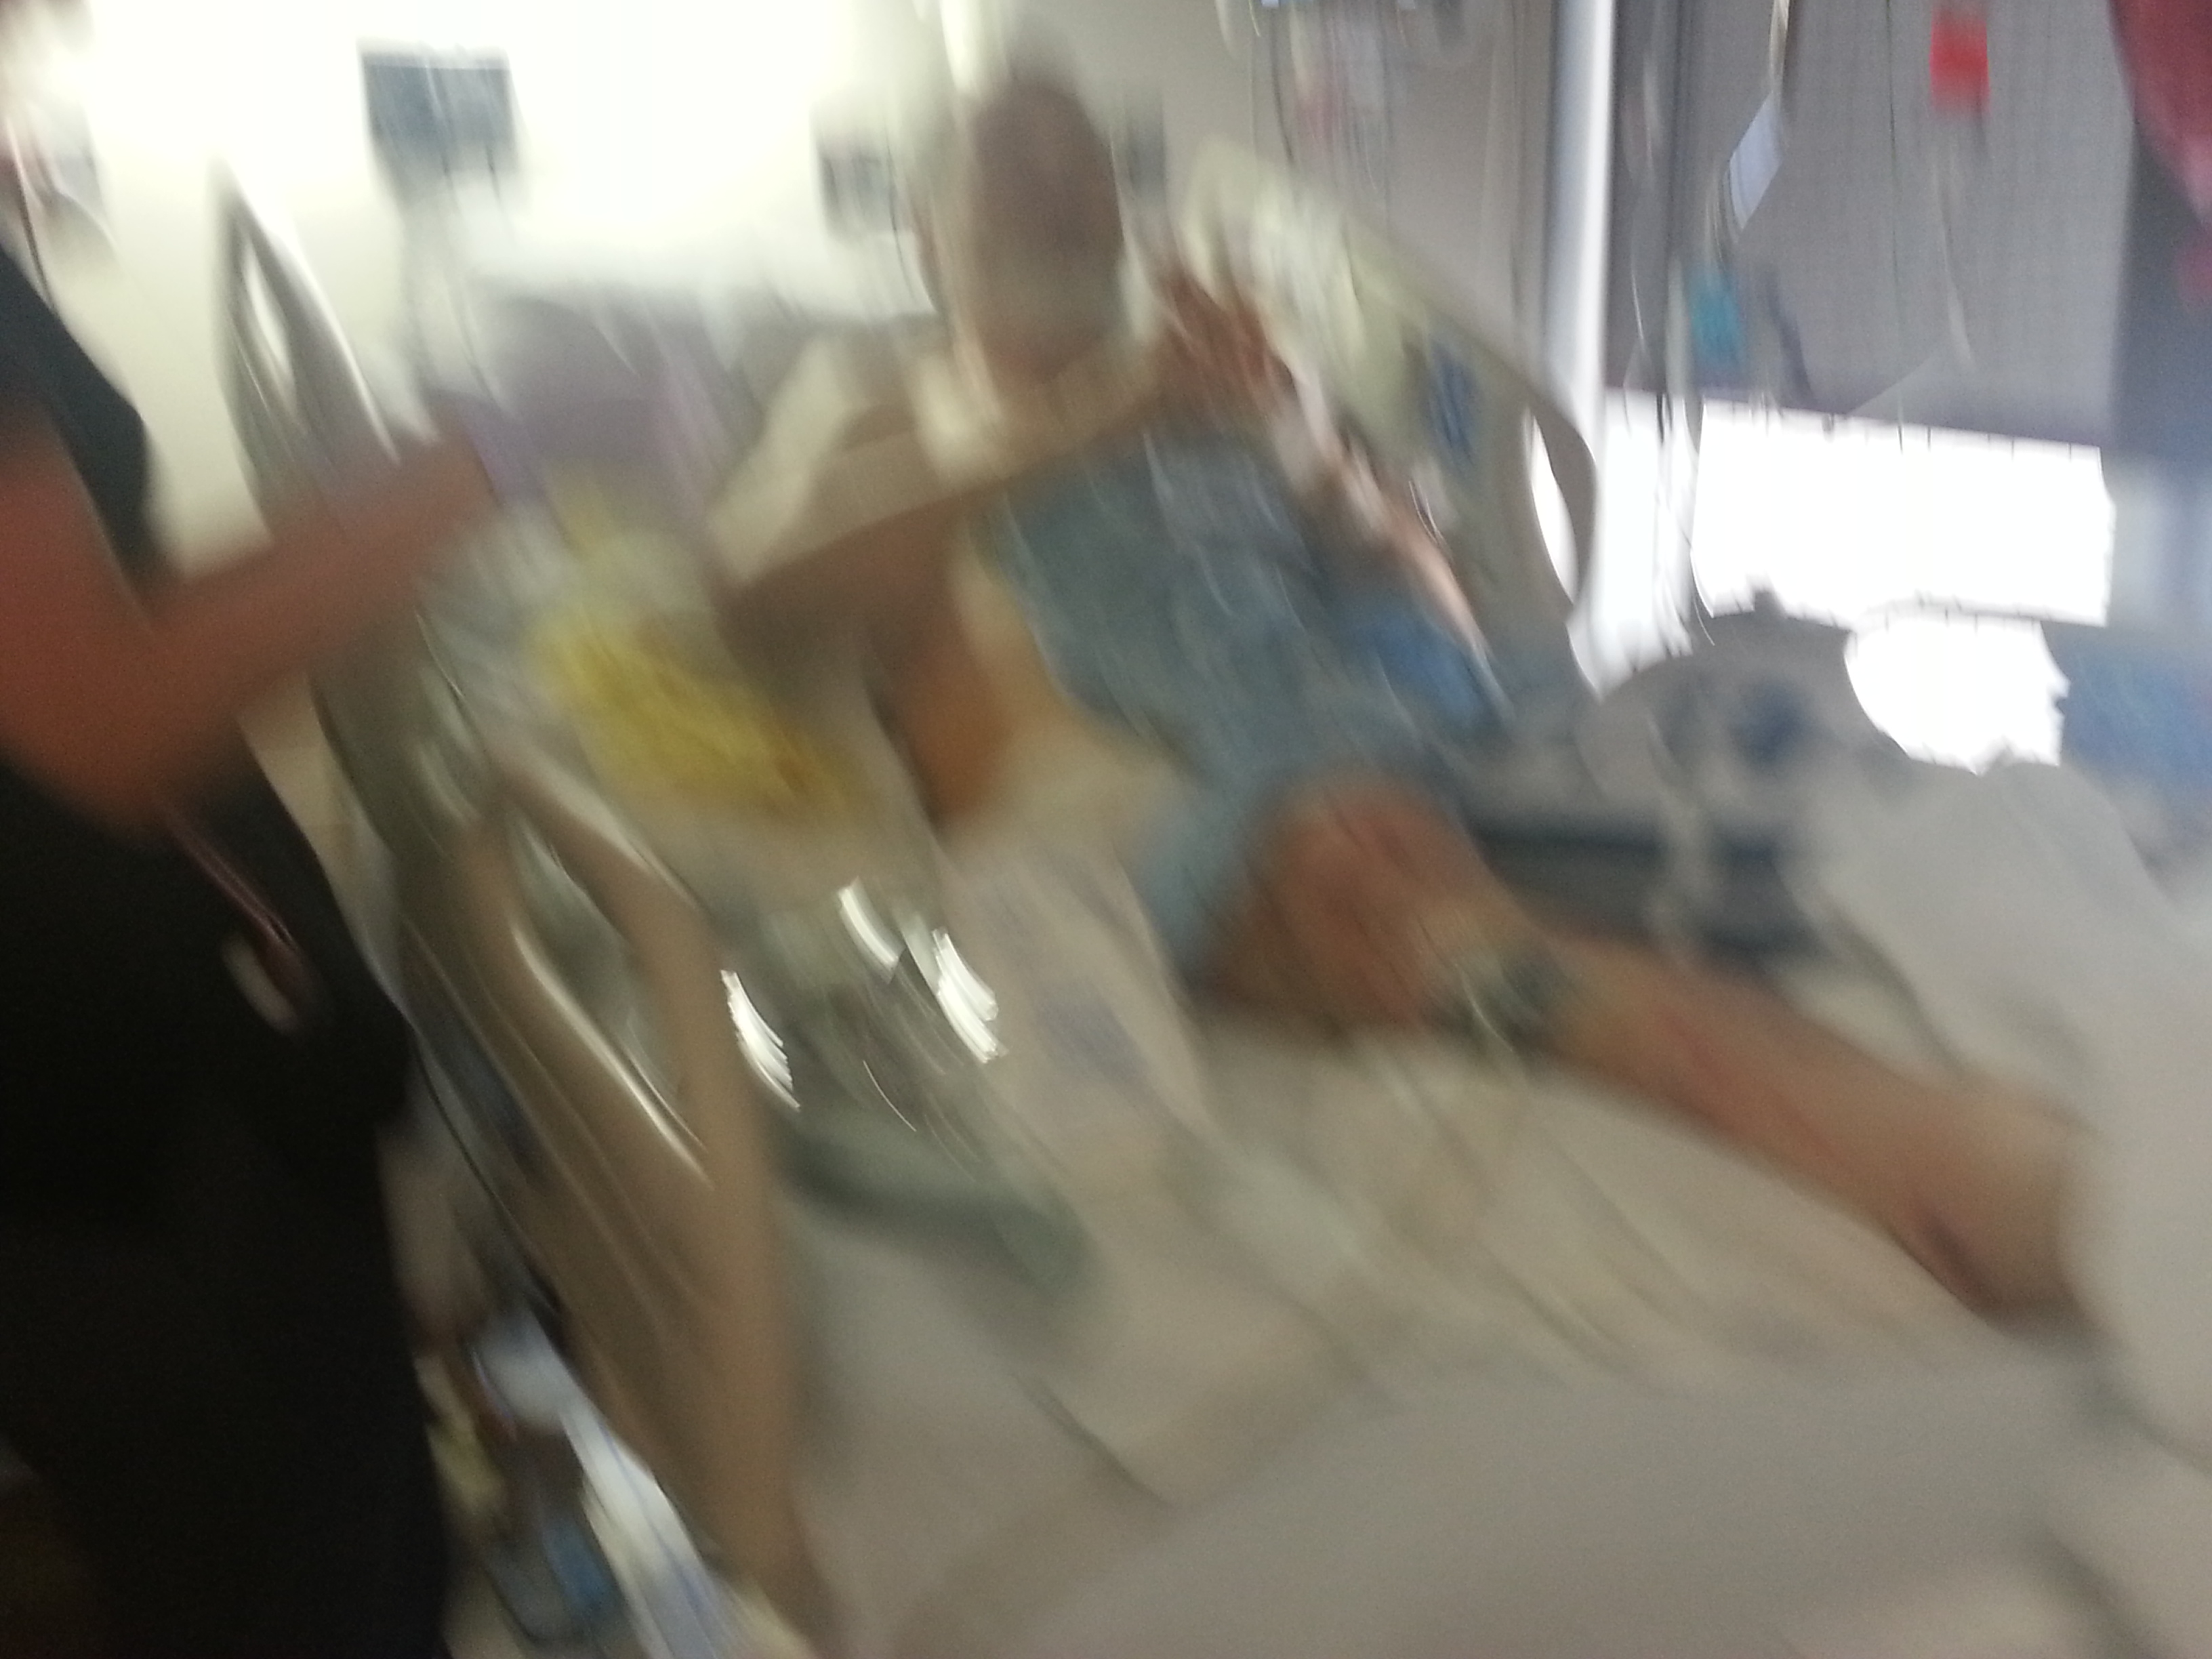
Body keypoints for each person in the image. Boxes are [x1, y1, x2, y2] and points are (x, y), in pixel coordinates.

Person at [710, 70, 2078, 1317]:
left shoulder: (1213, 400)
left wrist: (1310, 453)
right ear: (925, 227)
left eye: (1088, 167)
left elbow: (1432, 599)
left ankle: (2020, 905)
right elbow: (754, 593)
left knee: (1758, 743)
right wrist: (1106, 417)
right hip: (1193, 816)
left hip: (1410, 722)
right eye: (1014, 160)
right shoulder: (885, 404)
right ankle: (1965, 1176)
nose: (1063, 192)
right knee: (1396, 901)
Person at [0, 7, 499, 1650]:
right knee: (290, 1587)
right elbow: (95, 719)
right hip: (113, 1134)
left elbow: (105, 612)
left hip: (120, 1100)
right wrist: (475, 471)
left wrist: (366, 511)